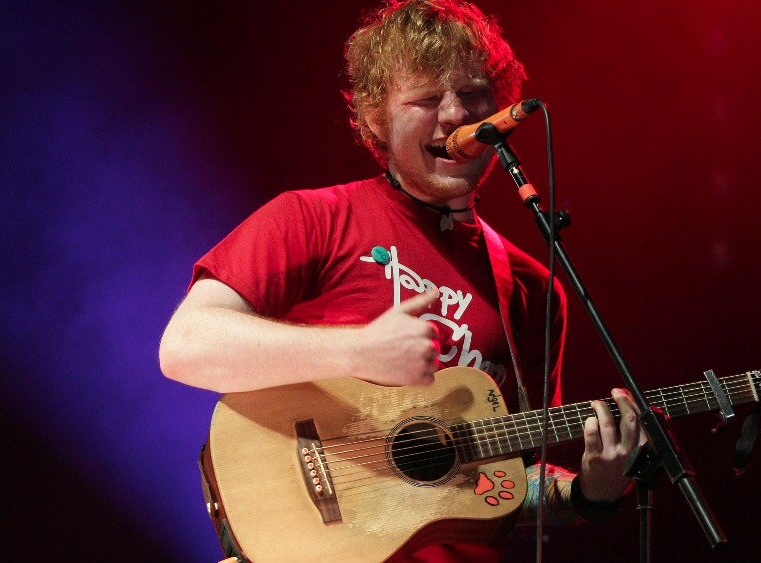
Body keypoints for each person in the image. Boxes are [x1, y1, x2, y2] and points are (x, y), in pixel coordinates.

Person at [159, 1, 643, 560]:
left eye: (474, 94)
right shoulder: (314, 218)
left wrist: (588, 492)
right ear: (375, 119)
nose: (455, 115)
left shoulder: (533, 289)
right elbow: (185, 347)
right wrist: (358, 350)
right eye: (426, 99)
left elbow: (507, 479)